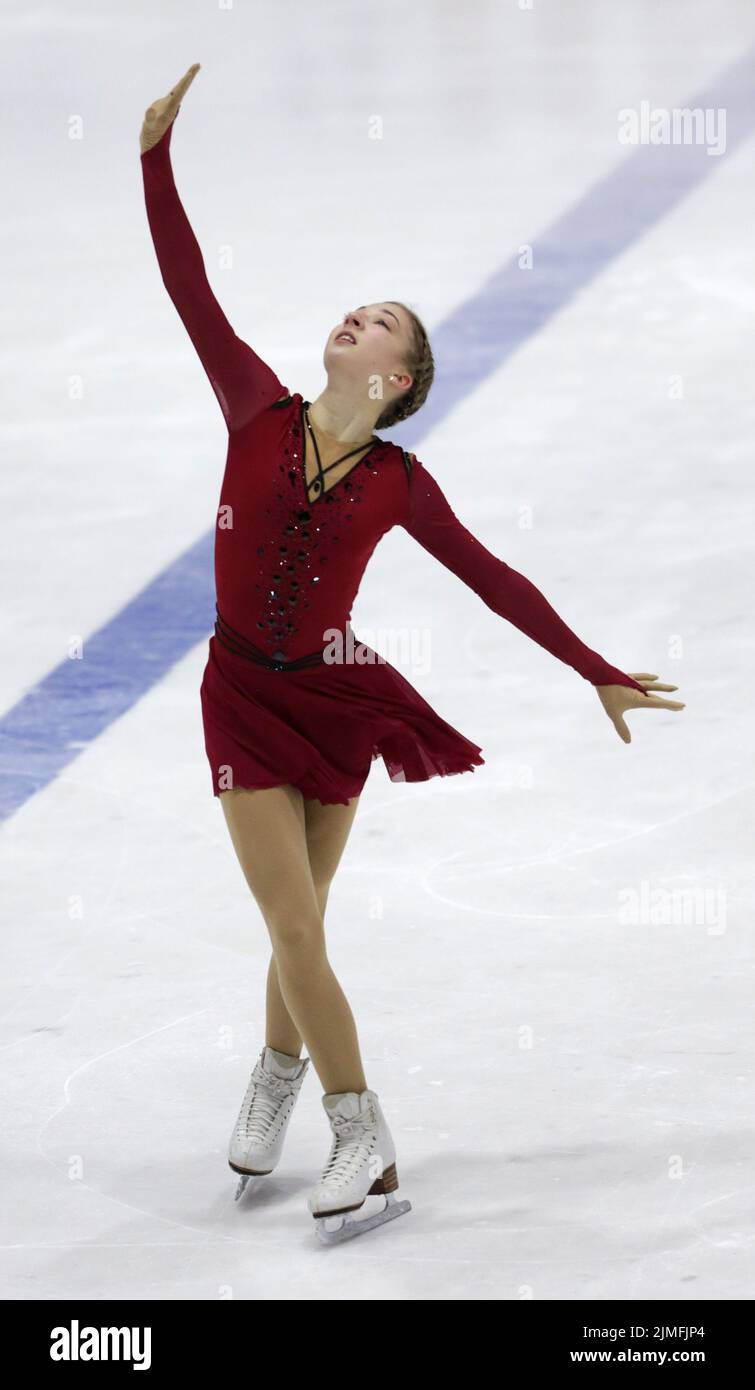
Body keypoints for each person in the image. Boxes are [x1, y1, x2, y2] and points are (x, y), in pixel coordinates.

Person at [140, 65, 684, 1243]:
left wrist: (589, 664)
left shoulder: (395, 481)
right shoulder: (255, 410)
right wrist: (153, 159)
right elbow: (190, 292)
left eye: (378, 321)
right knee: (292, 924)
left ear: (394, 381)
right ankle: (354, 1125)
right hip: (238, 693)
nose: (353, 317)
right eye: (354, 307)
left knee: (303, 923)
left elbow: (492, 578)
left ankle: (287, 1078)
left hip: (336, 697)